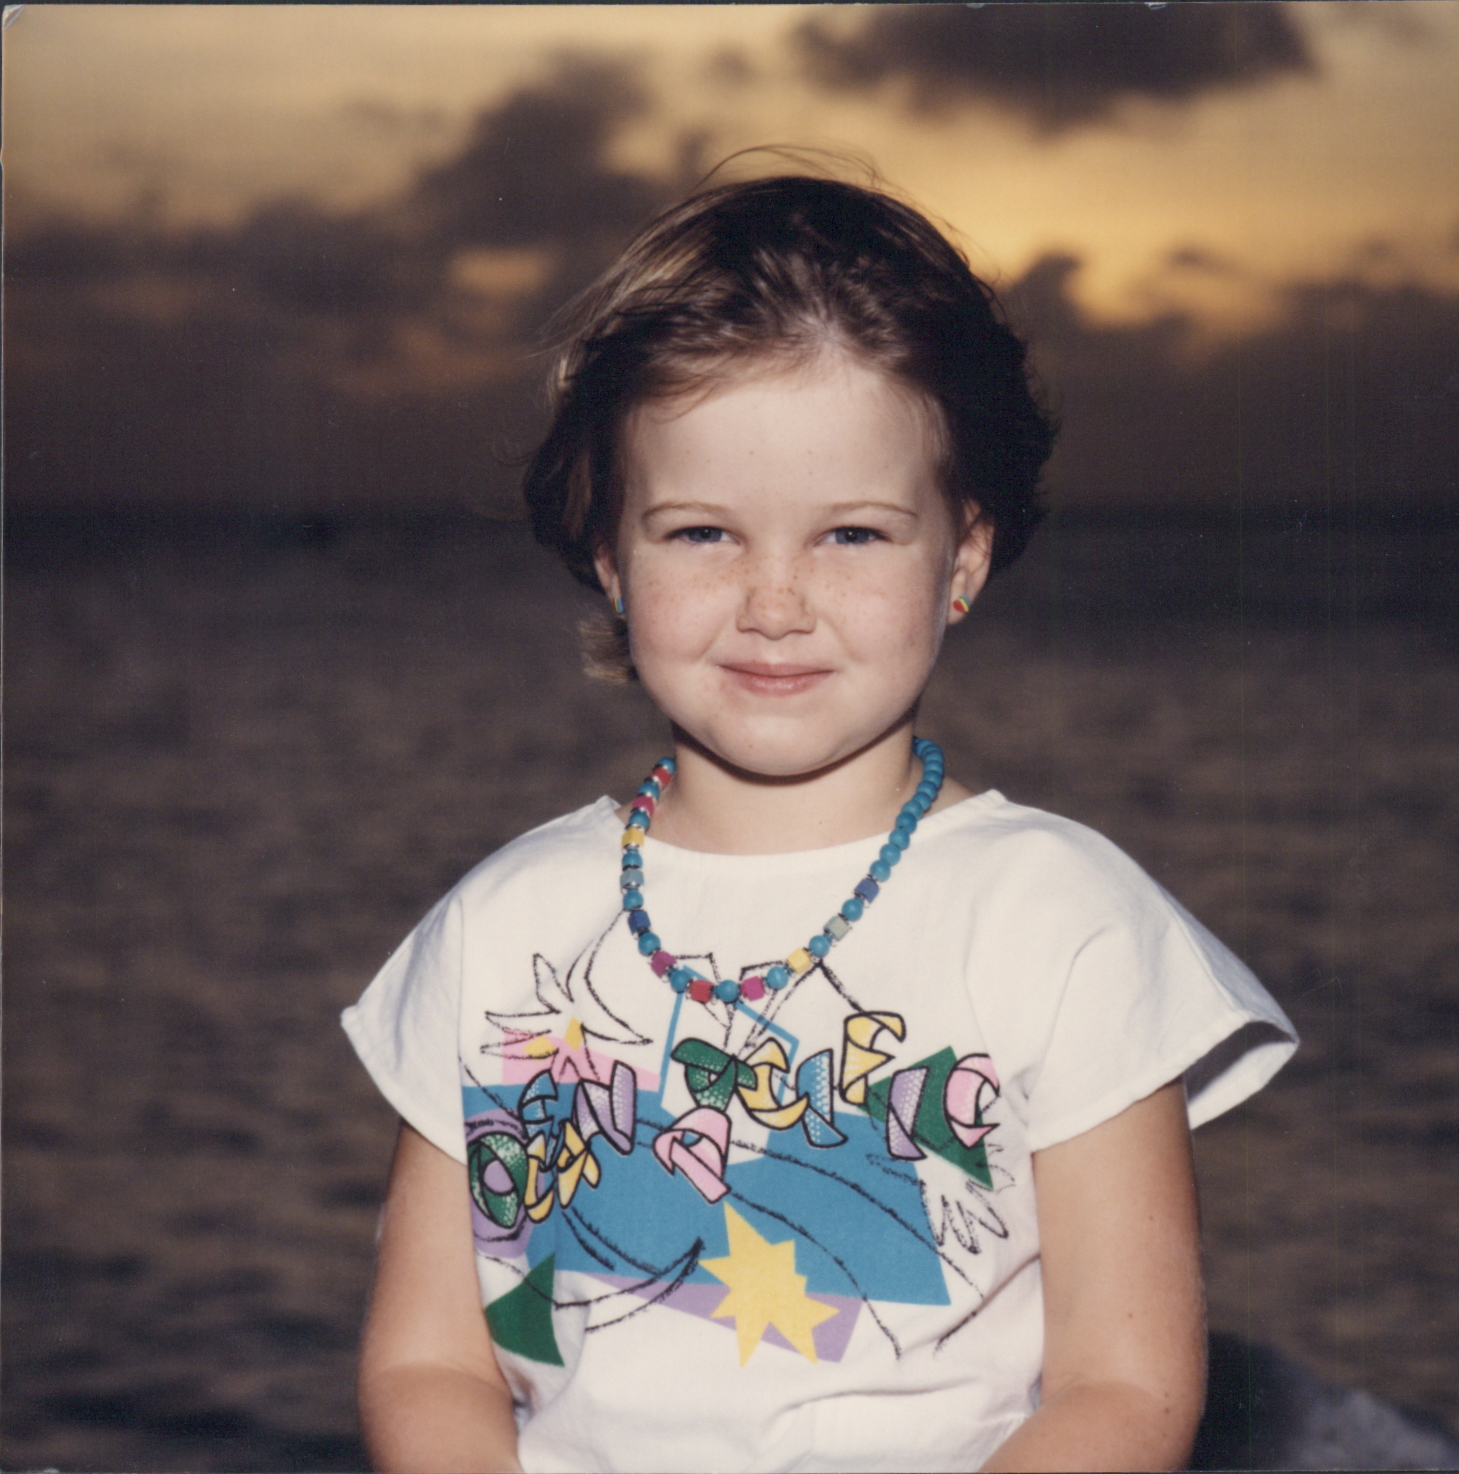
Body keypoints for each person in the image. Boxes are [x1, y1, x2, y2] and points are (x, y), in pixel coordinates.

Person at [342, 171, 1297, 1473]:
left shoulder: (1063, 922)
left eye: (851, 534)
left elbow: (1124, 1389)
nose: (775, 601)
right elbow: (430, 1359)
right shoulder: (500, 928)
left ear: (962, 558)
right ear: (612, 558)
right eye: (702, 533)